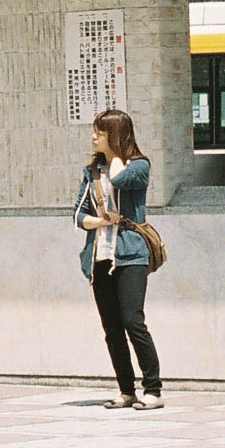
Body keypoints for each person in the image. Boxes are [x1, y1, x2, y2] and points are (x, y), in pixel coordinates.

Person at [73, 110, 162, 411]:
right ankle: (126, 390)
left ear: (115, 135)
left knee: (132, 321)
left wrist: (115, 159)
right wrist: (98, 223)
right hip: (100, 255)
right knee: (111, 328)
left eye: (99, 132)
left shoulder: (139, 166)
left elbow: (121, 179)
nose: (93, 137)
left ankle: (153, 389)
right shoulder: (91, 172)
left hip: (131, 254)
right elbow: (77, 214)